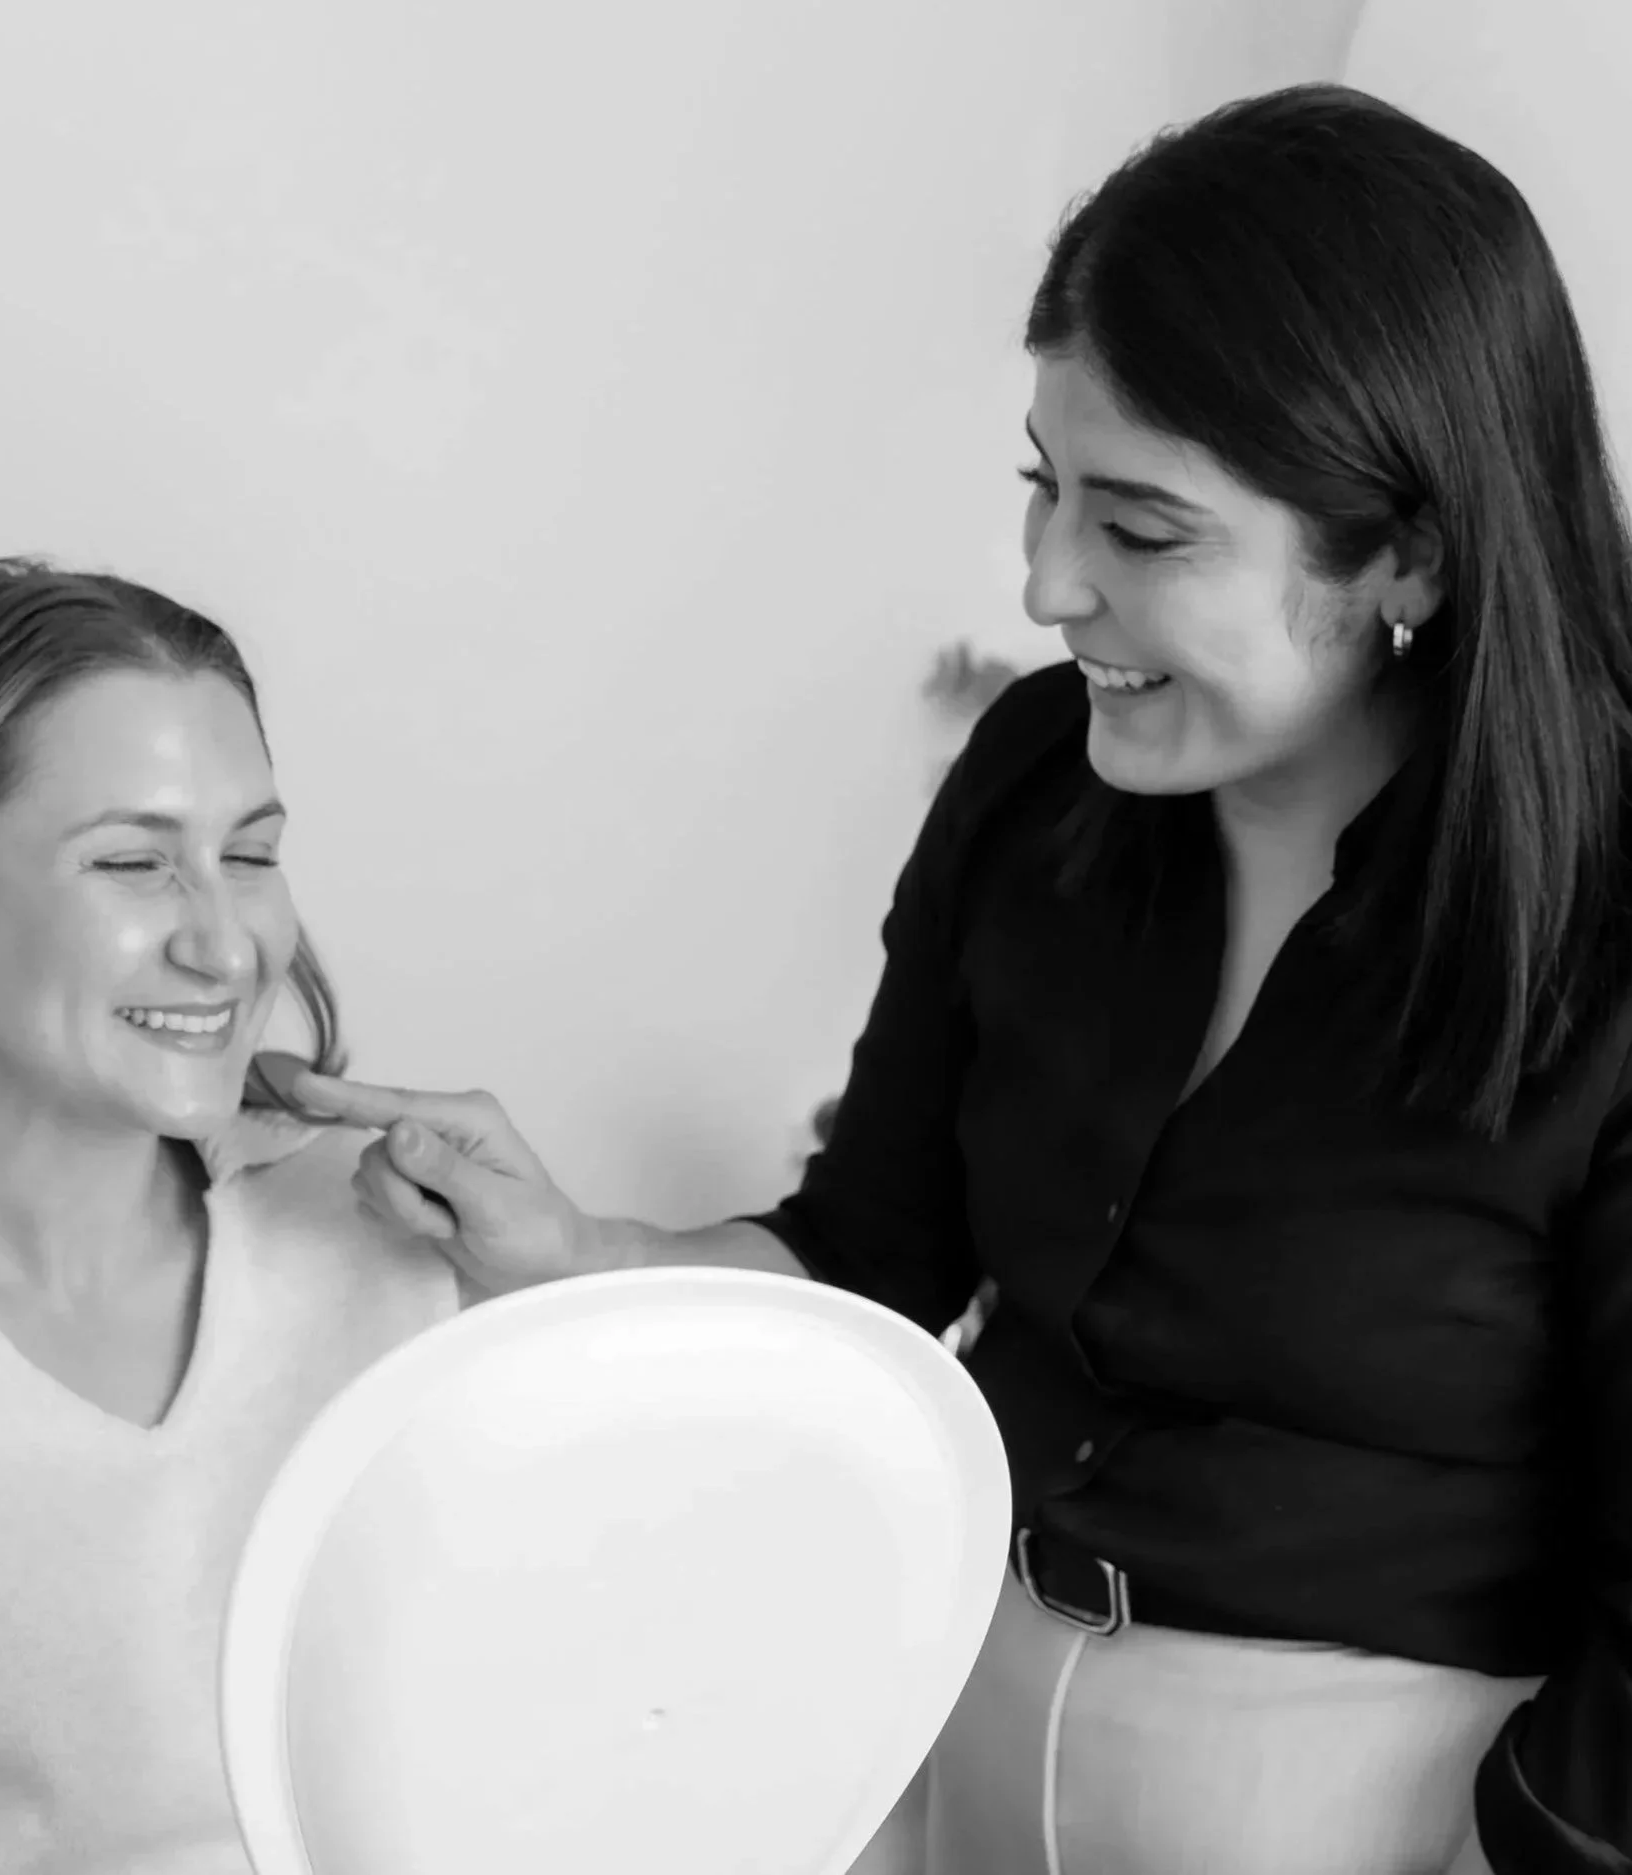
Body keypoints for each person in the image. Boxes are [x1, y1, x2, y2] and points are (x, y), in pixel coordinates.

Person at [282, 83, 1632, 1875]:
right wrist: (576, 1258)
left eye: (1140, 530)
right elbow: (872, 1253)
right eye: (1041, 487)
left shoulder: (1598, 920)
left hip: (1374, 1804)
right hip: (942, 1695)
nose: (1044, 581)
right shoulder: (1034, 777)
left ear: (1409, 551)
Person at [0, 560, 461, 1874]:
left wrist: (576, 1294)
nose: (226, 942)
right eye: (134, 862)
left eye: (249, 853)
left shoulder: (396, 1241)